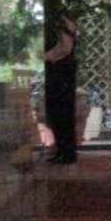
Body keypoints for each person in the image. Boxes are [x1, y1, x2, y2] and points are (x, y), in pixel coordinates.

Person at [42, 13, 79, 164]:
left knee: (62, 116)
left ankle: (67, 153)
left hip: (61, 77)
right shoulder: (62, 26)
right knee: (58, 116)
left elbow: (64, 49)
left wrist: (46, 56)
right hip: (59, 76)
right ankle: (62, 151)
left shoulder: (63, 26)